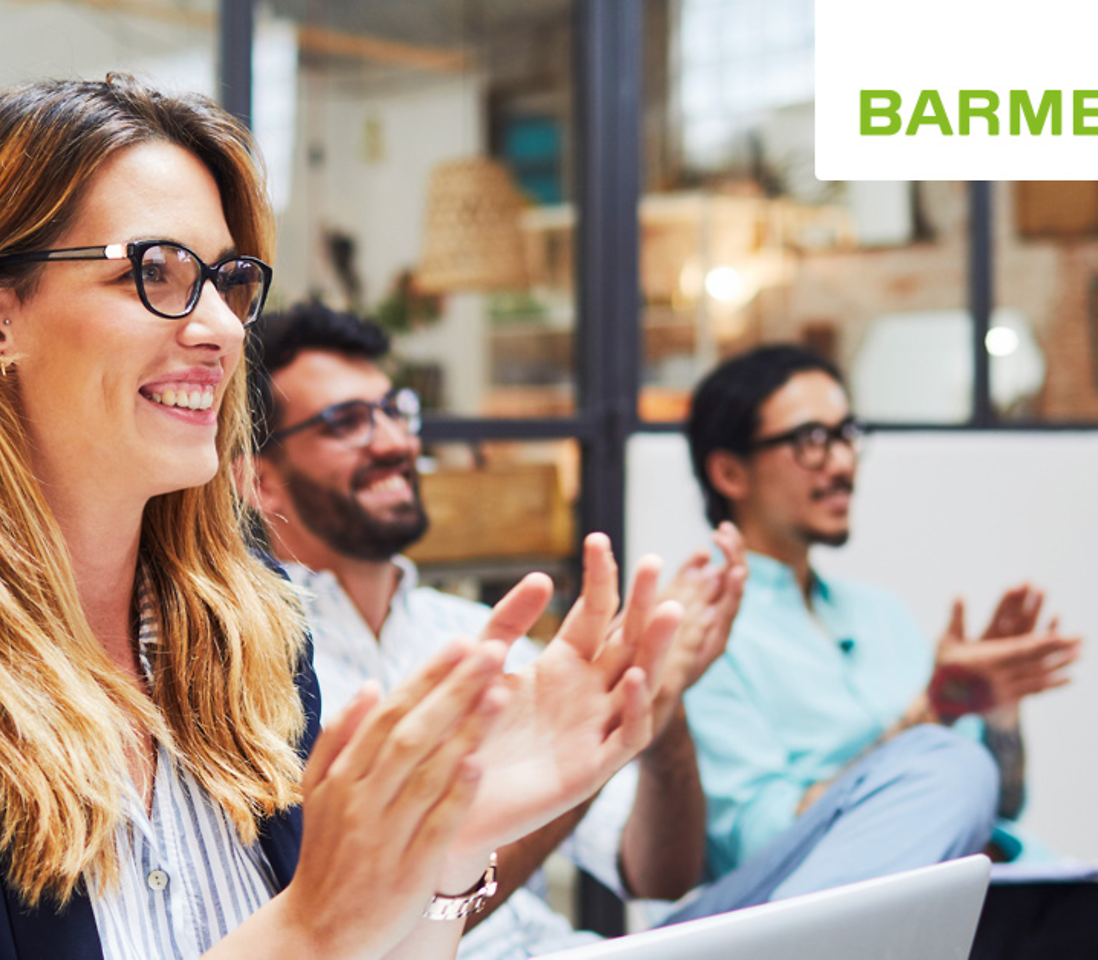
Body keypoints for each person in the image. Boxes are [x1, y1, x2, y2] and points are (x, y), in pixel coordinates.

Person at [0, 75, 685, 960]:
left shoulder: (253, 630)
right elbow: (316, 936)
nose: (224, 328)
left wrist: (456, 844)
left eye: (228, 281)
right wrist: (310, 924)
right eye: (156, 271)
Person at [251, 305, 964, 957]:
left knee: (944, 767)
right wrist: (574, 756)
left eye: (394, 411)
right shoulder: (254, 673)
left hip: (587, 949)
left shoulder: (478, 632)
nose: (392, 442)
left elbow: (656, 873)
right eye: (344, 422)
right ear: (261, 482)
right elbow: (358, 930)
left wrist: (659, 710)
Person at [682, 344, 1081, 892]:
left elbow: (999, 802)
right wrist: (931, 715)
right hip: (819, 909)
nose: (843, 463)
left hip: (992, 885)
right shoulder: (699, 634)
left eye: (846, 434)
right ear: (730, 472)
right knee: (950, 764)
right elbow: (763, 849)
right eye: (811, 440)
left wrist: (996, 713)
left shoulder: (878, 612)